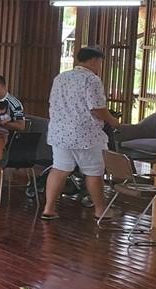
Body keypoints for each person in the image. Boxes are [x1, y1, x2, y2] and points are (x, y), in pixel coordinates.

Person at [41, 47, 120, 221]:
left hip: (59, 133)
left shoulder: (60, 78)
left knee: (59, 168)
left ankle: (49, 208)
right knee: (93, 172)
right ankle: (100, 210)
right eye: (99, 62)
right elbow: (97, 108)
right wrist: (113, 121)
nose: (100, 66)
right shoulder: (91, 80)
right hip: (86, 134)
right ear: (93, 61)